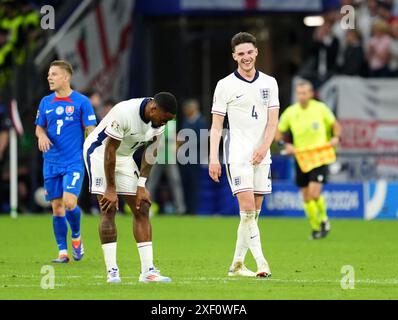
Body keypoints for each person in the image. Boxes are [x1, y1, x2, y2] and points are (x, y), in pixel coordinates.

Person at [83, 92, 177, 283]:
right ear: (153, 109)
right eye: (164, 119)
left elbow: (152, 150)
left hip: (124, 158)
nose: (164, 124)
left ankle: (147, 271)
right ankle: (112, 271)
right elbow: (110, 150)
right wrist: (110, 188)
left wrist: (142, 185)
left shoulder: (157, 121)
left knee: (142, 207)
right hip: (100, 154)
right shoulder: (124, 112)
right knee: (108, 209)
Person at [209, 32, 279, 278]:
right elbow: (217, 125)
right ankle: (262, 263)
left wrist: (263, 148)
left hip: (263, 155)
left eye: (249, 52)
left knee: (253, 215)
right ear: (234, 56)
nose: (246, 57)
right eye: (241, 54)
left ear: (256, 52)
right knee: (247, 209)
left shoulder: (270, 83)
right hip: (237, 154)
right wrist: (213, 158)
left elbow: (273, 123)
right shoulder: (225, 85)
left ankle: (237, 264)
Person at [35, 60, 97, 263]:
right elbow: (39, 127)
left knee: (70, 202)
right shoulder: (45, 102)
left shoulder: (81, 102)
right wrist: (41, 136)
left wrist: (94, 145)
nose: (49, 77)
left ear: (66, 77)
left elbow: (90, 129)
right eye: (48, 74)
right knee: (56, 207)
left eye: (53, 74)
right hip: (51, 162)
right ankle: (63, 252)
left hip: (73, 161)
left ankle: (76, 237)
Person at [275, 80, 341, 240]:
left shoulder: (320, 108)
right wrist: (285, 145)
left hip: (319, 156)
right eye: (299, 93)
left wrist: (336, 137)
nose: (301, 96)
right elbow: (278, 132)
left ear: (311, 94)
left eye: (304, 93)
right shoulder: (291, 112)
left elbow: (335, 124)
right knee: (305, 196)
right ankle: (315, 227)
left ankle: (324, 219)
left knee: (314, 192)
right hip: (301, 157)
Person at [179, 98, 208, 214]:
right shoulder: (186, 121)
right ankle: (187, 208)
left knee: (195, 185)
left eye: (187, 109)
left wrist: (185, 142)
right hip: (184, 159)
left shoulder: (201, 121)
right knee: (185, 184)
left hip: (195, 158)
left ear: (193, 108)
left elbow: (202, 140)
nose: (185, 111)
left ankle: (194, 210)